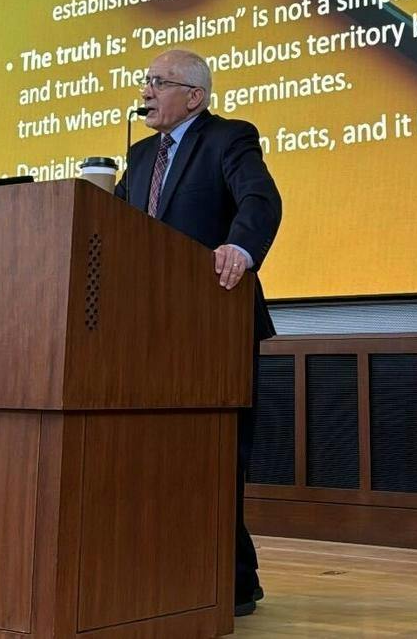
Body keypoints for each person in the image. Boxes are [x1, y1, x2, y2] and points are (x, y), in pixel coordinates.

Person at [115, 48, 280, 615]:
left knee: (216, 454)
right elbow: (120, 226)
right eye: (145, 82)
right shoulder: (139, 155)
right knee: (160, 455)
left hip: (214, 320)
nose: (145, 92)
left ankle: (231, 580)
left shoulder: (229, 138)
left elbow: (260, 198)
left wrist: (240, 247)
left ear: (194, 96)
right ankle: (179, 573)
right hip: (148, 327)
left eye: (157, 82)